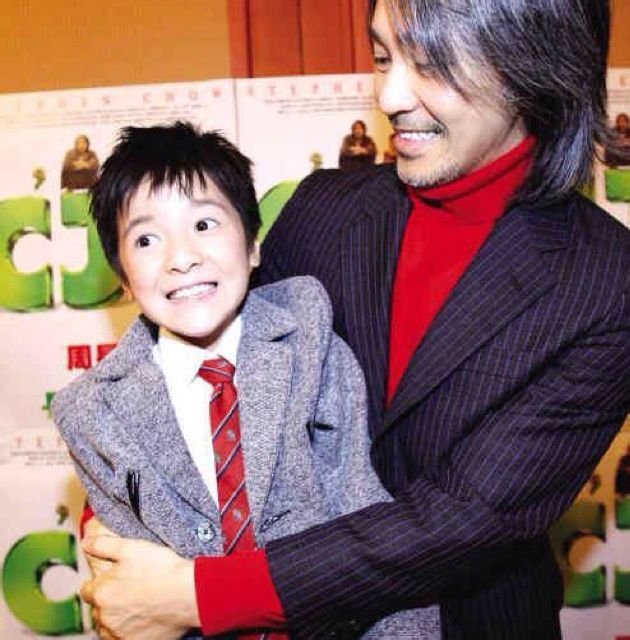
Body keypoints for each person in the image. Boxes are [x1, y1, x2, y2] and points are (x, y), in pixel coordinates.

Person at [79, 1, 630, 638]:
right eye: (382, 57)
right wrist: (117, 516)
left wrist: (203, 596)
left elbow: (468, 516)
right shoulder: (324, 208)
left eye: (433, 64)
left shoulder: (605, 285)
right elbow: (202, 351)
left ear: (534, 67)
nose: (390, 96)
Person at [52, 121, 440, 639]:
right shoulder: (92, 414)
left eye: (204, 224)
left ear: (253, 245)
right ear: (122, 278)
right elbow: (132, 598)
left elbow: (366, 522)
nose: (181, 258)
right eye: (146, 239)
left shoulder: (312, 346)